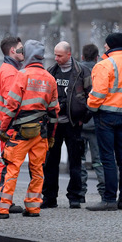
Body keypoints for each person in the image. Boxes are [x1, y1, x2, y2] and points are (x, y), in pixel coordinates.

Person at [0, 39, 60, 219]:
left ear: (29, 54)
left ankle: (1, 209)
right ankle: (33, 208)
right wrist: (51, 136)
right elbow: (55, 111)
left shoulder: (22, 75)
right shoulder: (50, 78)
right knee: (37, 170)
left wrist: (3, 129)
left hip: (20, 133)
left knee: (11, 168)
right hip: (40, 133)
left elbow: (11, 106)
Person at [86, 32, 122, 211]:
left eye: (106, 44)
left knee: (107, 158)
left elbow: (97, 94)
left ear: (111, 45)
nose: (104, 47)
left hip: (105, 115)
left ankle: (109, 200)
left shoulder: (105, 65)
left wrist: (89, 107)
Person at [40, 41, 92, 209]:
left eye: (59, 55)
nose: (56, 58)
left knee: (75, 163)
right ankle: (49, 197)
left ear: (69, 54)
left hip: (73, 124)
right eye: (55, 55)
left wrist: (83, 118)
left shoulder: (81, 72)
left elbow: (91, 95)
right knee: (50, 162)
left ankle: (75, 197)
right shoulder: (51, 71)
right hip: (54, 124)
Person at [0, 36, 25, 214]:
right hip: (9, 125)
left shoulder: (6, 69)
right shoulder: (11, 72)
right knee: (7, 163)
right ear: (13, 51)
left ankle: (3, 199)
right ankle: (3, 200)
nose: (23, 51)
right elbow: (13, 102)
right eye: (20, 49)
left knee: (6, 161)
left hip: (5, 124)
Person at [78, 43, 105, 200]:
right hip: (96, 123)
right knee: (99, 161)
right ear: (97, 57)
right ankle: (104, 193)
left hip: (80, 123)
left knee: (80, 160)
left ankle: (80, 193)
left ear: (82, 56)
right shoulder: (102, 70)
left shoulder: (77, 70)